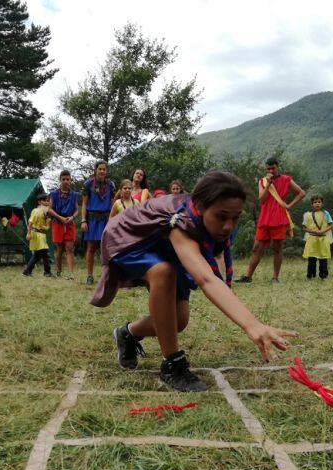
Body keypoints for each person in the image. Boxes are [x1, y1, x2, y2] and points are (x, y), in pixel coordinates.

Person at [91, 170, 296, 392]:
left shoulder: (208, 224)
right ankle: (172, 365)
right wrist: (252, 325)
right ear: (199, 207)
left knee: (177, 320)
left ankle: (128, 333)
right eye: (221, 216)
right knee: (163, 271)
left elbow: (212, 271)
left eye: (235, 218)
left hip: (165, 245)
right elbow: (206, 279)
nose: (228, 225)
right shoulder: (182, 220)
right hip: (128, 236)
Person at [235, 157, 306, 284]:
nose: (271, 171)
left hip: (279, 217)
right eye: (268, 168)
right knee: (256, 248)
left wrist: (289, 206)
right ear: (265, 169)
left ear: (278, 167)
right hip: (265, 217)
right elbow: (261, 200)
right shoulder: (262, 181)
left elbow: (301, 193)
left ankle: (275, 277)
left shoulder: (286, 179)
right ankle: (247, 277)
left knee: (278, 248)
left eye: (273, 168)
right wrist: (268, 184)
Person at [81, 160, 115, 285]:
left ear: (106, 171)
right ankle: (89, 276)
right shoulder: (88, 184)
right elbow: (84, 203)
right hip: (92, 219)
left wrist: (114, 220)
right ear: (95, 170)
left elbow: (113, 204)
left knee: (106, 249)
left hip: (106, 219)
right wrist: (83, 220)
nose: (101, 171)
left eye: (104, 169)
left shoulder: (111, 184)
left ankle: (106, 276)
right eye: (99, 169)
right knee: (90, 247)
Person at [48, 170, 79, 280]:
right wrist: (60, 217)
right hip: (57, 223)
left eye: (68, 179)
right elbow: (50, 209)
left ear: (71, 180)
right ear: (60, 180)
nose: (66, 181)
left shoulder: (74, 195)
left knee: (69, 249)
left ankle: (70, 274)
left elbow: (77, 210)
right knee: (59, 249)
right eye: (63, 179)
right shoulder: (53, 194)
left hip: (70, 223)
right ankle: (58, 270)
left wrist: (72, 217)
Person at [302, 194, 333, 280]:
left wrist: (323, 231)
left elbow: (331, 225)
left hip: (323, 239)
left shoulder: (326, 213)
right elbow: (304, 228)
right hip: (312, 239)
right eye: (315, 202)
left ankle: (324, 276)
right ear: (311, 204)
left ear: (322, 203)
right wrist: (313, 231)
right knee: (312, 258)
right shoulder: (307, 215)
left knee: (323, 258)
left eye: (319, 202)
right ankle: (310, 275)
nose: (317, 204)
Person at [22, 192, 52, 277]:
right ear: (39, 202)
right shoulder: (36, 211)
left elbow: (46, 226)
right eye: (45, 201)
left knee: (38, 254)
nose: (47, 202)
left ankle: (27, 271)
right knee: (44, 253)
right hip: (36, 233)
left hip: (42, 234)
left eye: (48, 201)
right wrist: (28, 233)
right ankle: (47, 272)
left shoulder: (45, 212)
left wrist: (48, 221)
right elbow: (30, 222)